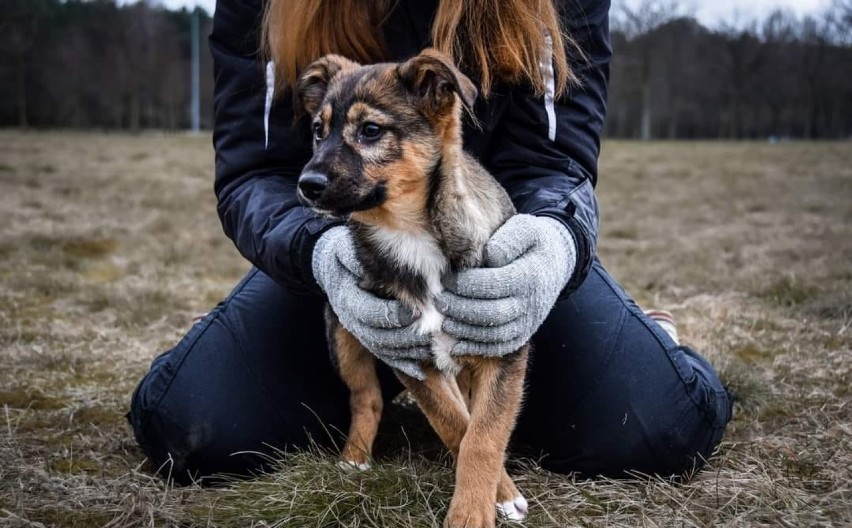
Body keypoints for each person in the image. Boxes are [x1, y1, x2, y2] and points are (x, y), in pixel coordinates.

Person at [127, 0, 733, 484]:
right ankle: (308, 357)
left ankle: (649, 335)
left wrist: (553, 243)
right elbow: (251, 173)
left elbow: (557, 156)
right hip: (347, 253)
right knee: (186, 423)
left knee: (659, 427)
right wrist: (318, 254)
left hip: (494, 251)